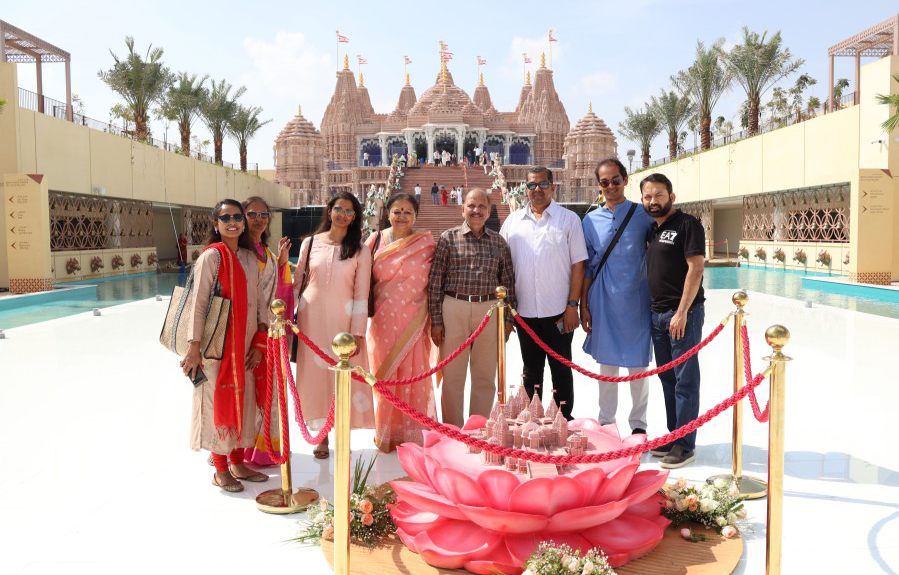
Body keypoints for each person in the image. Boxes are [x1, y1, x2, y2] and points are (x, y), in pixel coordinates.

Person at [180, 199, 272, 492]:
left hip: (245, 344)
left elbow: (260, 305)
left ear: (243, 223)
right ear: (215, 224)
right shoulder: (211, 257)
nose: (232, 222)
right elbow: (198, 304)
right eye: (225, 218)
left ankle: (238, 461)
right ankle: (220, 468)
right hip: (215, 345)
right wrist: (194, 347)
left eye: (237, 217)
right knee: (217, 400)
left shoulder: (248, 258)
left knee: (244, 401)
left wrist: (260, 342)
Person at [293, 191, 374, 459]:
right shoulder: (310, 243)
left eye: (349, 212)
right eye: (338, 209)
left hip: (344, 325)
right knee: (317, 380)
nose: (342, 215)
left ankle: (343, 437)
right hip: (310, 323)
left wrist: (358, 331)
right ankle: (321, 438)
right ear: (329, 211)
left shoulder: (361, 250)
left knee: (344, 379)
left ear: (355, 217)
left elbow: (362, 293)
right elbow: (296, 284)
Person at [500, 166, 586, 420]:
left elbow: (578, 264)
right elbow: (503, 266)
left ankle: (563, 418)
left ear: (552, 187)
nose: (537, 190)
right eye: (531, 185)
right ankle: (532, 417)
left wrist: (573, 306)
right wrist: (507, 313)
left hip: (559, 313)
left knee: (561, 368)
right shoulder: (513, 221)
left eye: (542, 184)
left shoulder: (568, 220)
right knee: (531, 369)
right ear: (525, 188)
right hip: (524, 313)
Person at [428, 188, 516, 427]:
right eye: (471, 206)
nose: (476, 211)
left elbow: (507, 282)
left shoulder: (498, 242)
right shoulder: (448, 238)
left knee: (485, 376)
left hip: (489, 309)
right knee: (453, 375)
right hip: (454, 307)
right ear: (462, 208)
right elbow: (435, 281)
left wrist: (508, 320)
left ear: (489, 211)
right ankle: (453, 429)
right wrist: (436, 320)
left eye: (481, 207)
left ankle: (478, 429)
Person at [581, 158, 656, 435]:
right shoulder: (590, 221)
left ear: (626, 180)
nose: (610, 186)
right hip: (603, 300)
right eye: (604, 182)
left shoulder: (643, 215)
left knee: (638, 367)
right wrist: (583, 305)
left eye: (615, 180)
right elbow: (588, 266)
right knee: (607, 367)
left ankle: (638, 425)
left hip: (637, 300)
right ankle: (606, 424)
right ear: (598, 186)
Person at [641, 173, 706, 469]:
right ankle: (675, 434)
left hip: (682, 315)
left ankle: (685, 444)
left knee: (685, 380)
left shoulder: (687, 224)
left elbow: (695, 269)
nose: (653, 201)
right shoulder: (653, 231)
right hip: (657, 315)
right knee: (667, 378)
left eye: (659, 195)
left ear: (671, 197)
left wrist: (681, 312)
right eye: (648, 197)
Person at [366, 193, 437, 452]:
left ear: (416, 215)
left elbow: (435, 283)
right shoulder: (374, 241)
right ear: (388, 213)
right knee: (384, 376)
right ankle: (386, 433)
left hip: (415, 321)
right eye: (397, 211)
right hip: (383, 321)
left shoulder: (426, 244)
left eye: (408, 211)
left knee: (413, 375)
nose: (402, 216)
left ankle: (414, 433)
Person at [240, 196, 292, 466]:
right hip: (242, 335)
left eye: (263, 214)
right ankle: (236, 451)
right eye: (252, 214)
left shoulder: (266, 253)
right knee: (245, 392)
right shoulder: (236, 252)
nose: (258, 219)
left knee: (269, 390)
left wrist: (282, 263)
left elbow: (276, 295)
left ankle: (264, 448)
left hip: (267, 335)